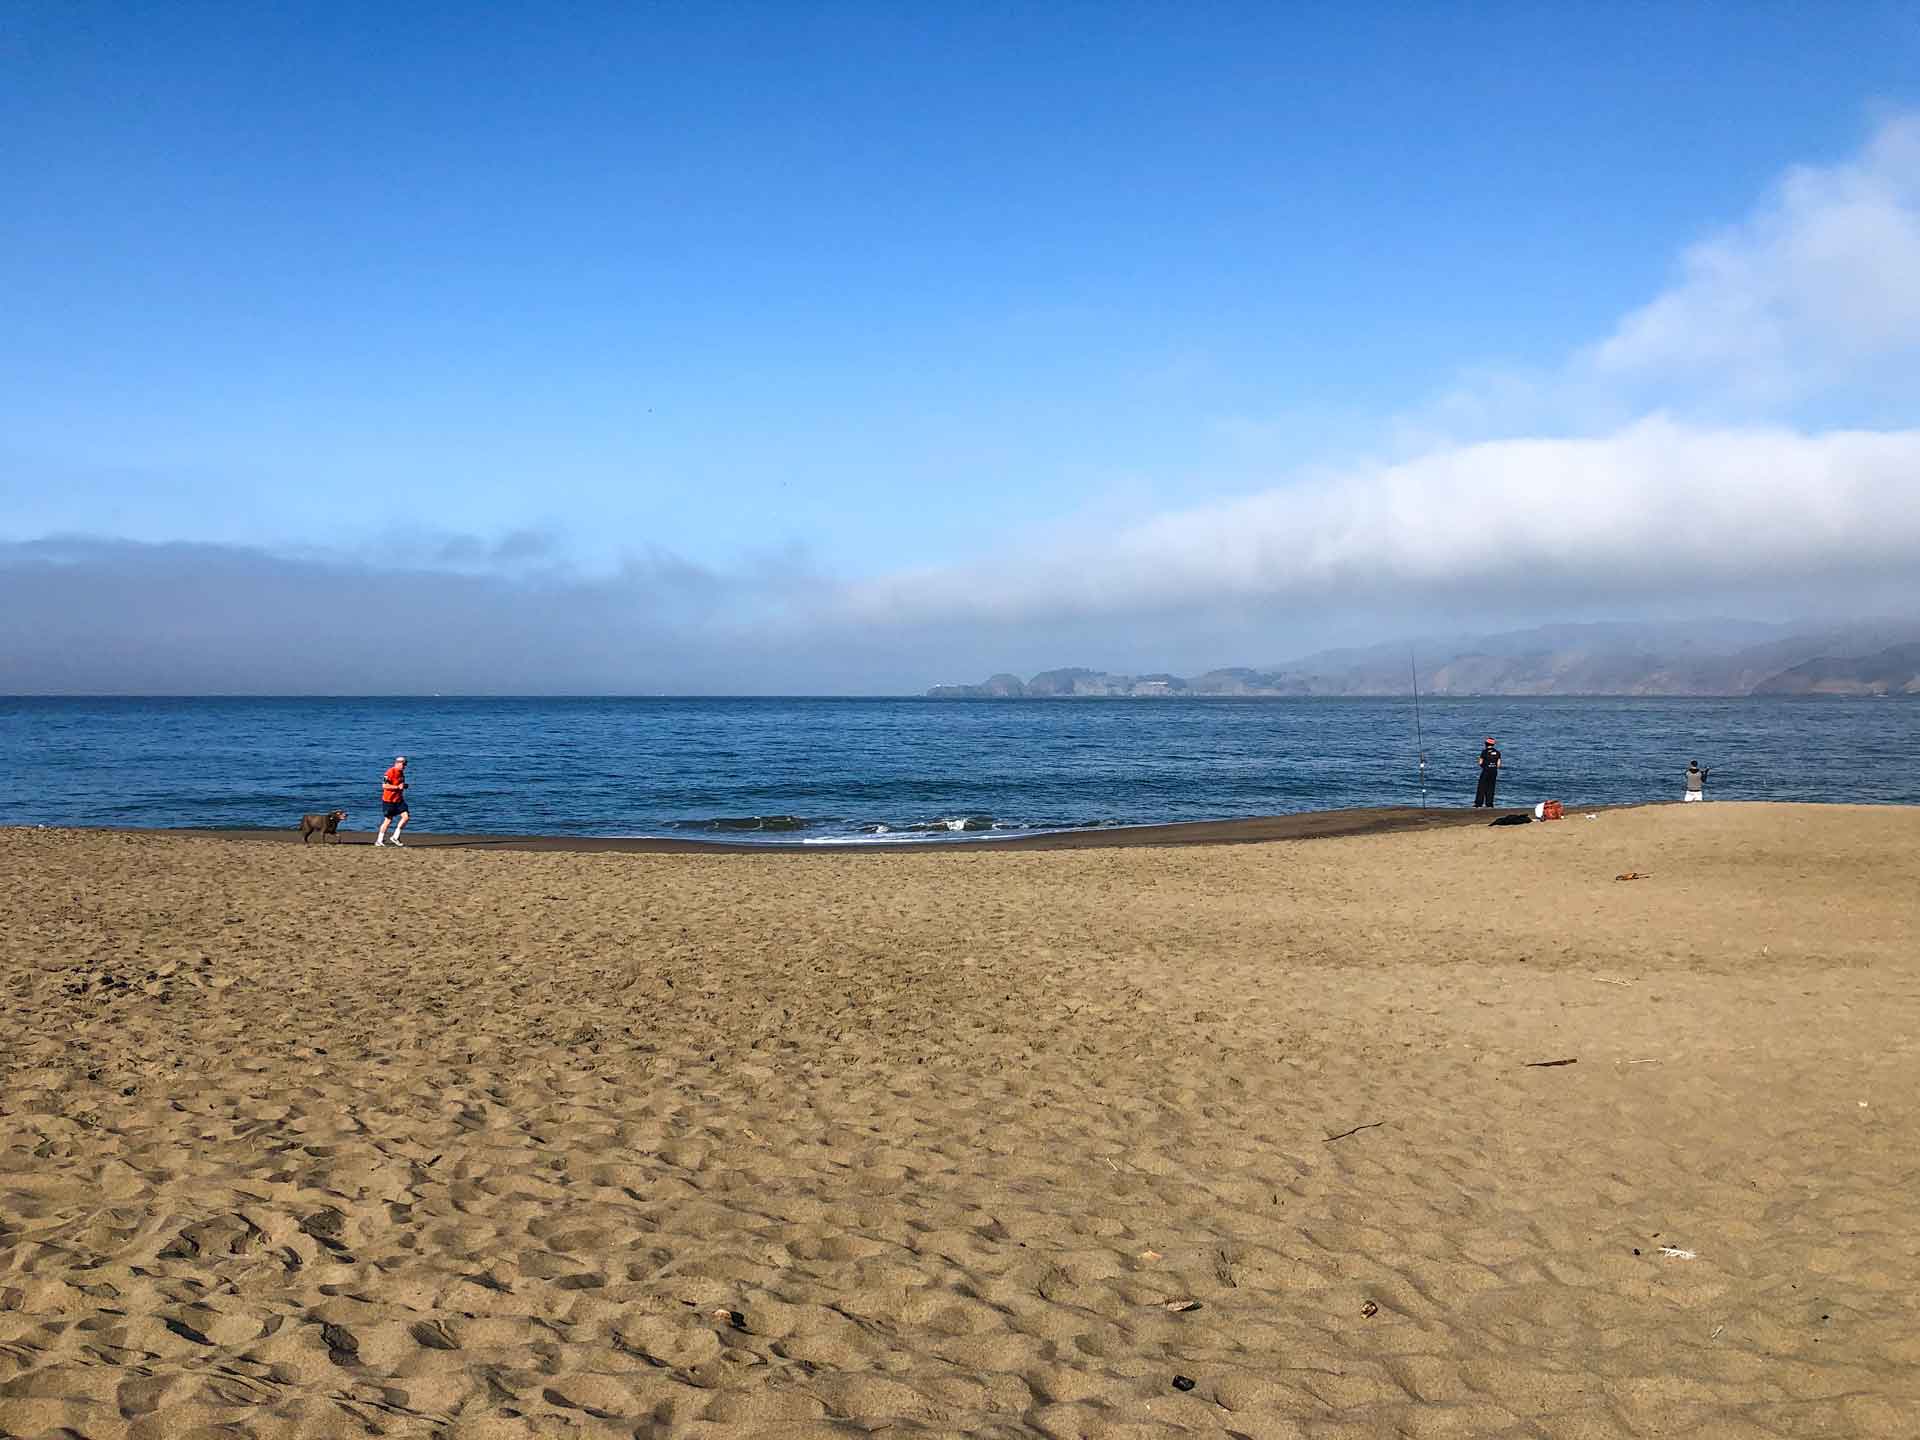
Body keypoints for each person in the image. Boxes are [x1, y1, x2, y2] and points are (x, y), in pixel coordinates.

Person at [375, 755, 409, 846]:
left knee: (406, 817)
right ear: (397, 763)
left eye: (406, 764)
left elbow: (400, 784)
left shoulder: (401, 773)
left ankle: (395, 837)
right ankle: (379, 840)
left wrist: (404, 786)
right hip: (388, 800)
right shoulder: (390, 772)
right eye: (403, 764)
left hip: (399, 800)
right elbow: (384, 785)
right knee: (388, 820)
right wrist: (397, 787)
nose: (405, 766)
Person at [1473, 737, 1502, 808]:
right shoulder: (1498, 753)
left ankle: (1478, 803)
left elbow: (1480, 762)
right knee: (1491, 787)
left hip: (1486, 770)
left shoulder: (1484, 752)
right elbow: (1498, 765)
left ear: (1486, 744)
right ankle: (1489, 803)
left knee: (1481, 787)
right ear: (1493, 744)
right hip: (1494, 771)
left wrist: (1485, 766)